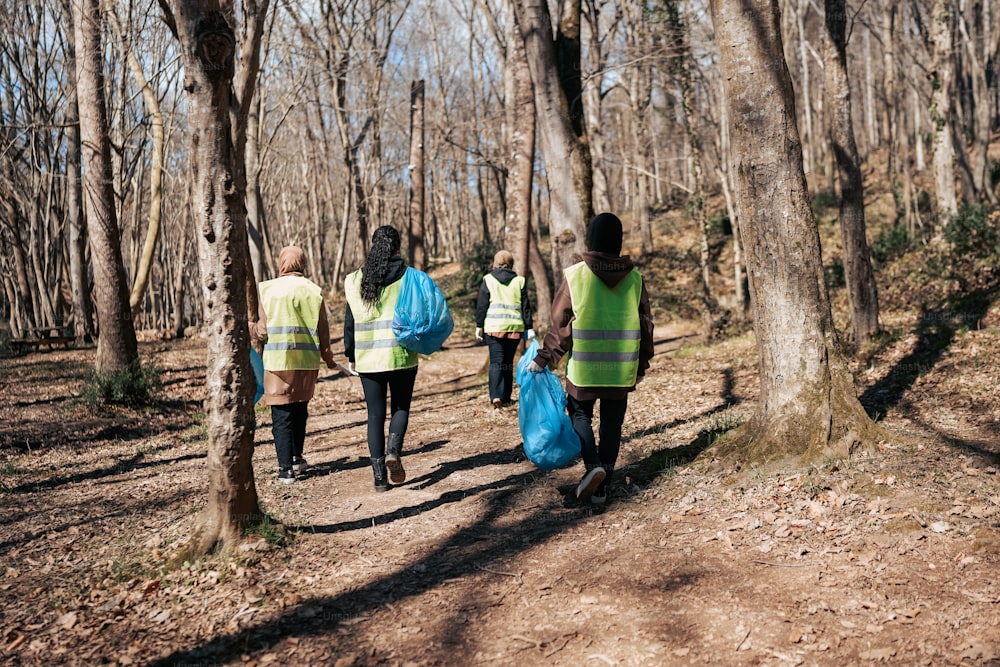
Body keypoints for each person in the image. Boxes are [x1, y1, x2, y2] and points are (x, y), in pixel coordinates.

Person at [528, 213, 654, 505]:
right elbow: (646, 324)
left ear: (593, 238)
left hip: (584, 369)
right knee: (612, 425)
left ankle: (592, 467)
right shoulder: (635, 278)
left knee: (580, 415)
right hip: (621, 369)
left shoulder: (576, 275)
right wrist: (642, 364)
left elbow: (560, 323)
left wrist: (544, 358)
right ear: (618, 240)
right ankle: (603, 484)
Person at [343, 226, 419, 492]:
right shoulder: (409, 277)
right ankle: (393, 451)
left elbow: (350, 321)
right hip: (402, 356)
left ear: (373, 245)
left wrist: (350, 353)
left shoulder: (353, 280)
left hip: (368, 359)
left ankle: (379, 479)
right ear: (398, 246)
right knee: (401, 408)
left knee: (374, 415)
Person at [254, 246, 337, 484]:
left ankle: (285, 470)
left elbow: (263, 330)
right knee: (300, 410)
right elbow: (323, 330)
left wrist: (251, 327)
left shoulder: (268, 289)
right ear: (301, 262)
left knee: (281, 414)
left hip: (278, 362)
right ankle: (296, 458)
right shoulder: (313, 290)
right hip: (306, 362)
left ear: (282, 262)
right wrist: (329, 359)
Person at [474, 250, 535, 408]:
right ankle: (506, 396)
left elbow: (481, 306)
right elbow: (526, 307)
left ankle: (495, 396)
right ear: (511, 263)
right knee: (508, 362)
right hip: (514, 328)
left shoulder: (488, 280)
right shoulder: (519, 281)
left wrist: (479, 325)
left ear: (495, 263)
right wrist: (529, 327)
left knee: (496, 362)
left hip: (494, 328)